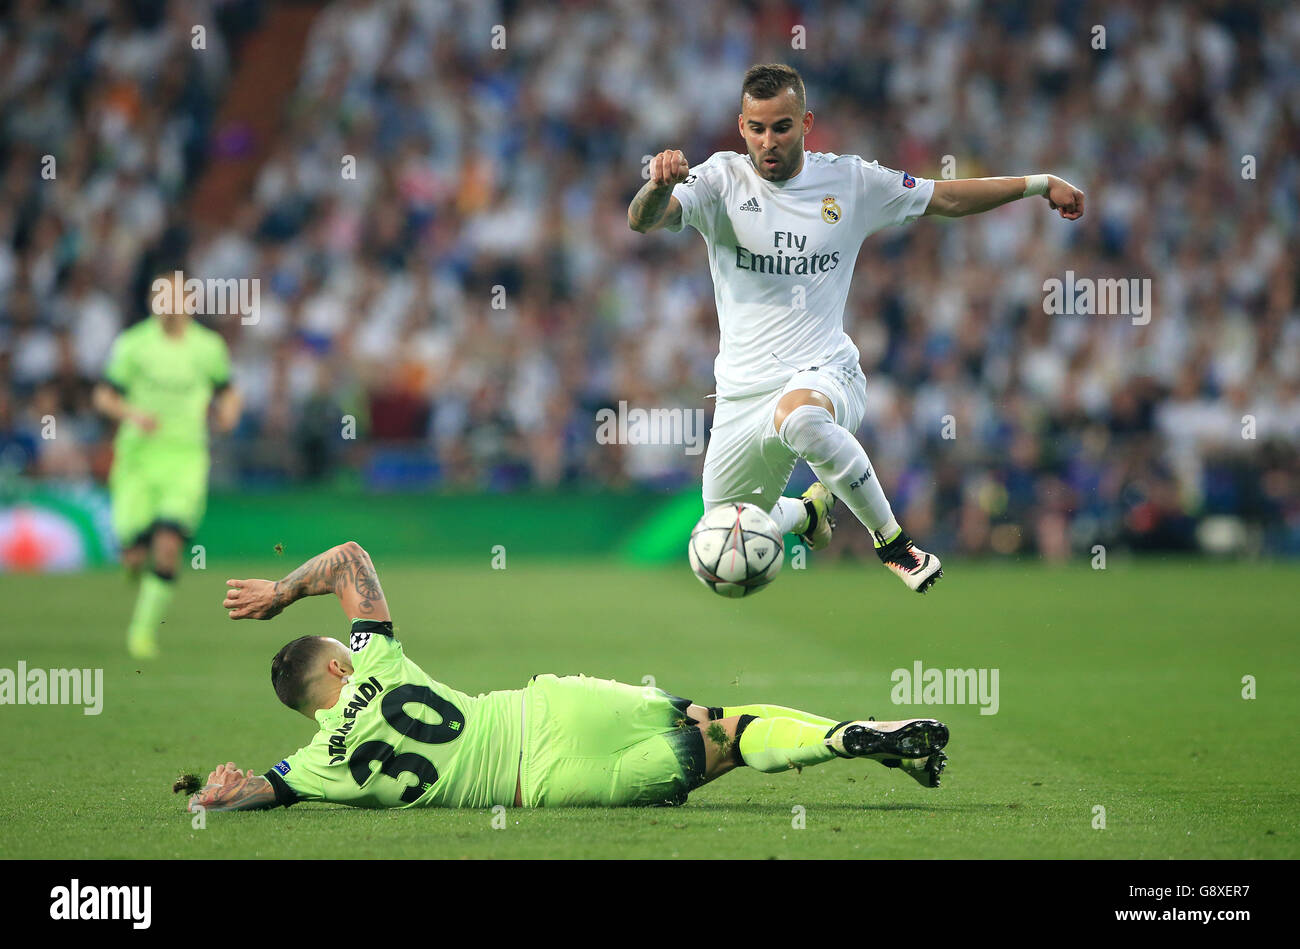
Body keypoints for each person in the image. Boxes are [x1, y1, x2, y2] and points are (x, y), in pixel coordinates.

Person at [628, 63, 1085, 592]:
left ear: (806, 123)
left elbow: (946, 197)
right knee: (721, 539)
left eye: (782, 126)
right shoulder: (718, 180)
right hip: (739, 393)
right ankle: (806, 515)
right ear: (741, 127)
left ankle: (894, 545)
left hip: (824, 371)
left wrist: (1039, 184)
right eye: (757, 128)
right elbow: (642, 219)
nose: (768, 141)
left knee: (799, 420)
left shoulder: (849, 181)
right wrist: (658, 185)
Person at [183, 541, 949, 813]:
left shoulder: (317, 766)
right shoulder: (375, 660)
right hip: (548, 707)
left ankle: (847, 739)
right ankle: (848, 733)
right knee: (729, 718)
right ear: (341, 661)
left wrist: (222, 790)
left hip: (546, 783)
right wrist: (282, 594)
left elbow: (256, 792)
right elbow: (351, 557)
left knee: (724, 752)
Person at [93, 270, 241, 658]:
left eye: (175, 296)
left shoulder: (208, 347)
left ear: (189, 301)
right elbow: (104, 396)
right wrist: (131, 414)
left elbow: (227, 392)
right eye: (161, 296)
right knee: (135, 553)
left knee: (167, 545)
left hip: (185, 458)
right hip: (138, 460)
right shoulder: (133, 344)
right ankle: (131, 559)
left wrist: (228, 414)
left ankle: (142, 634)